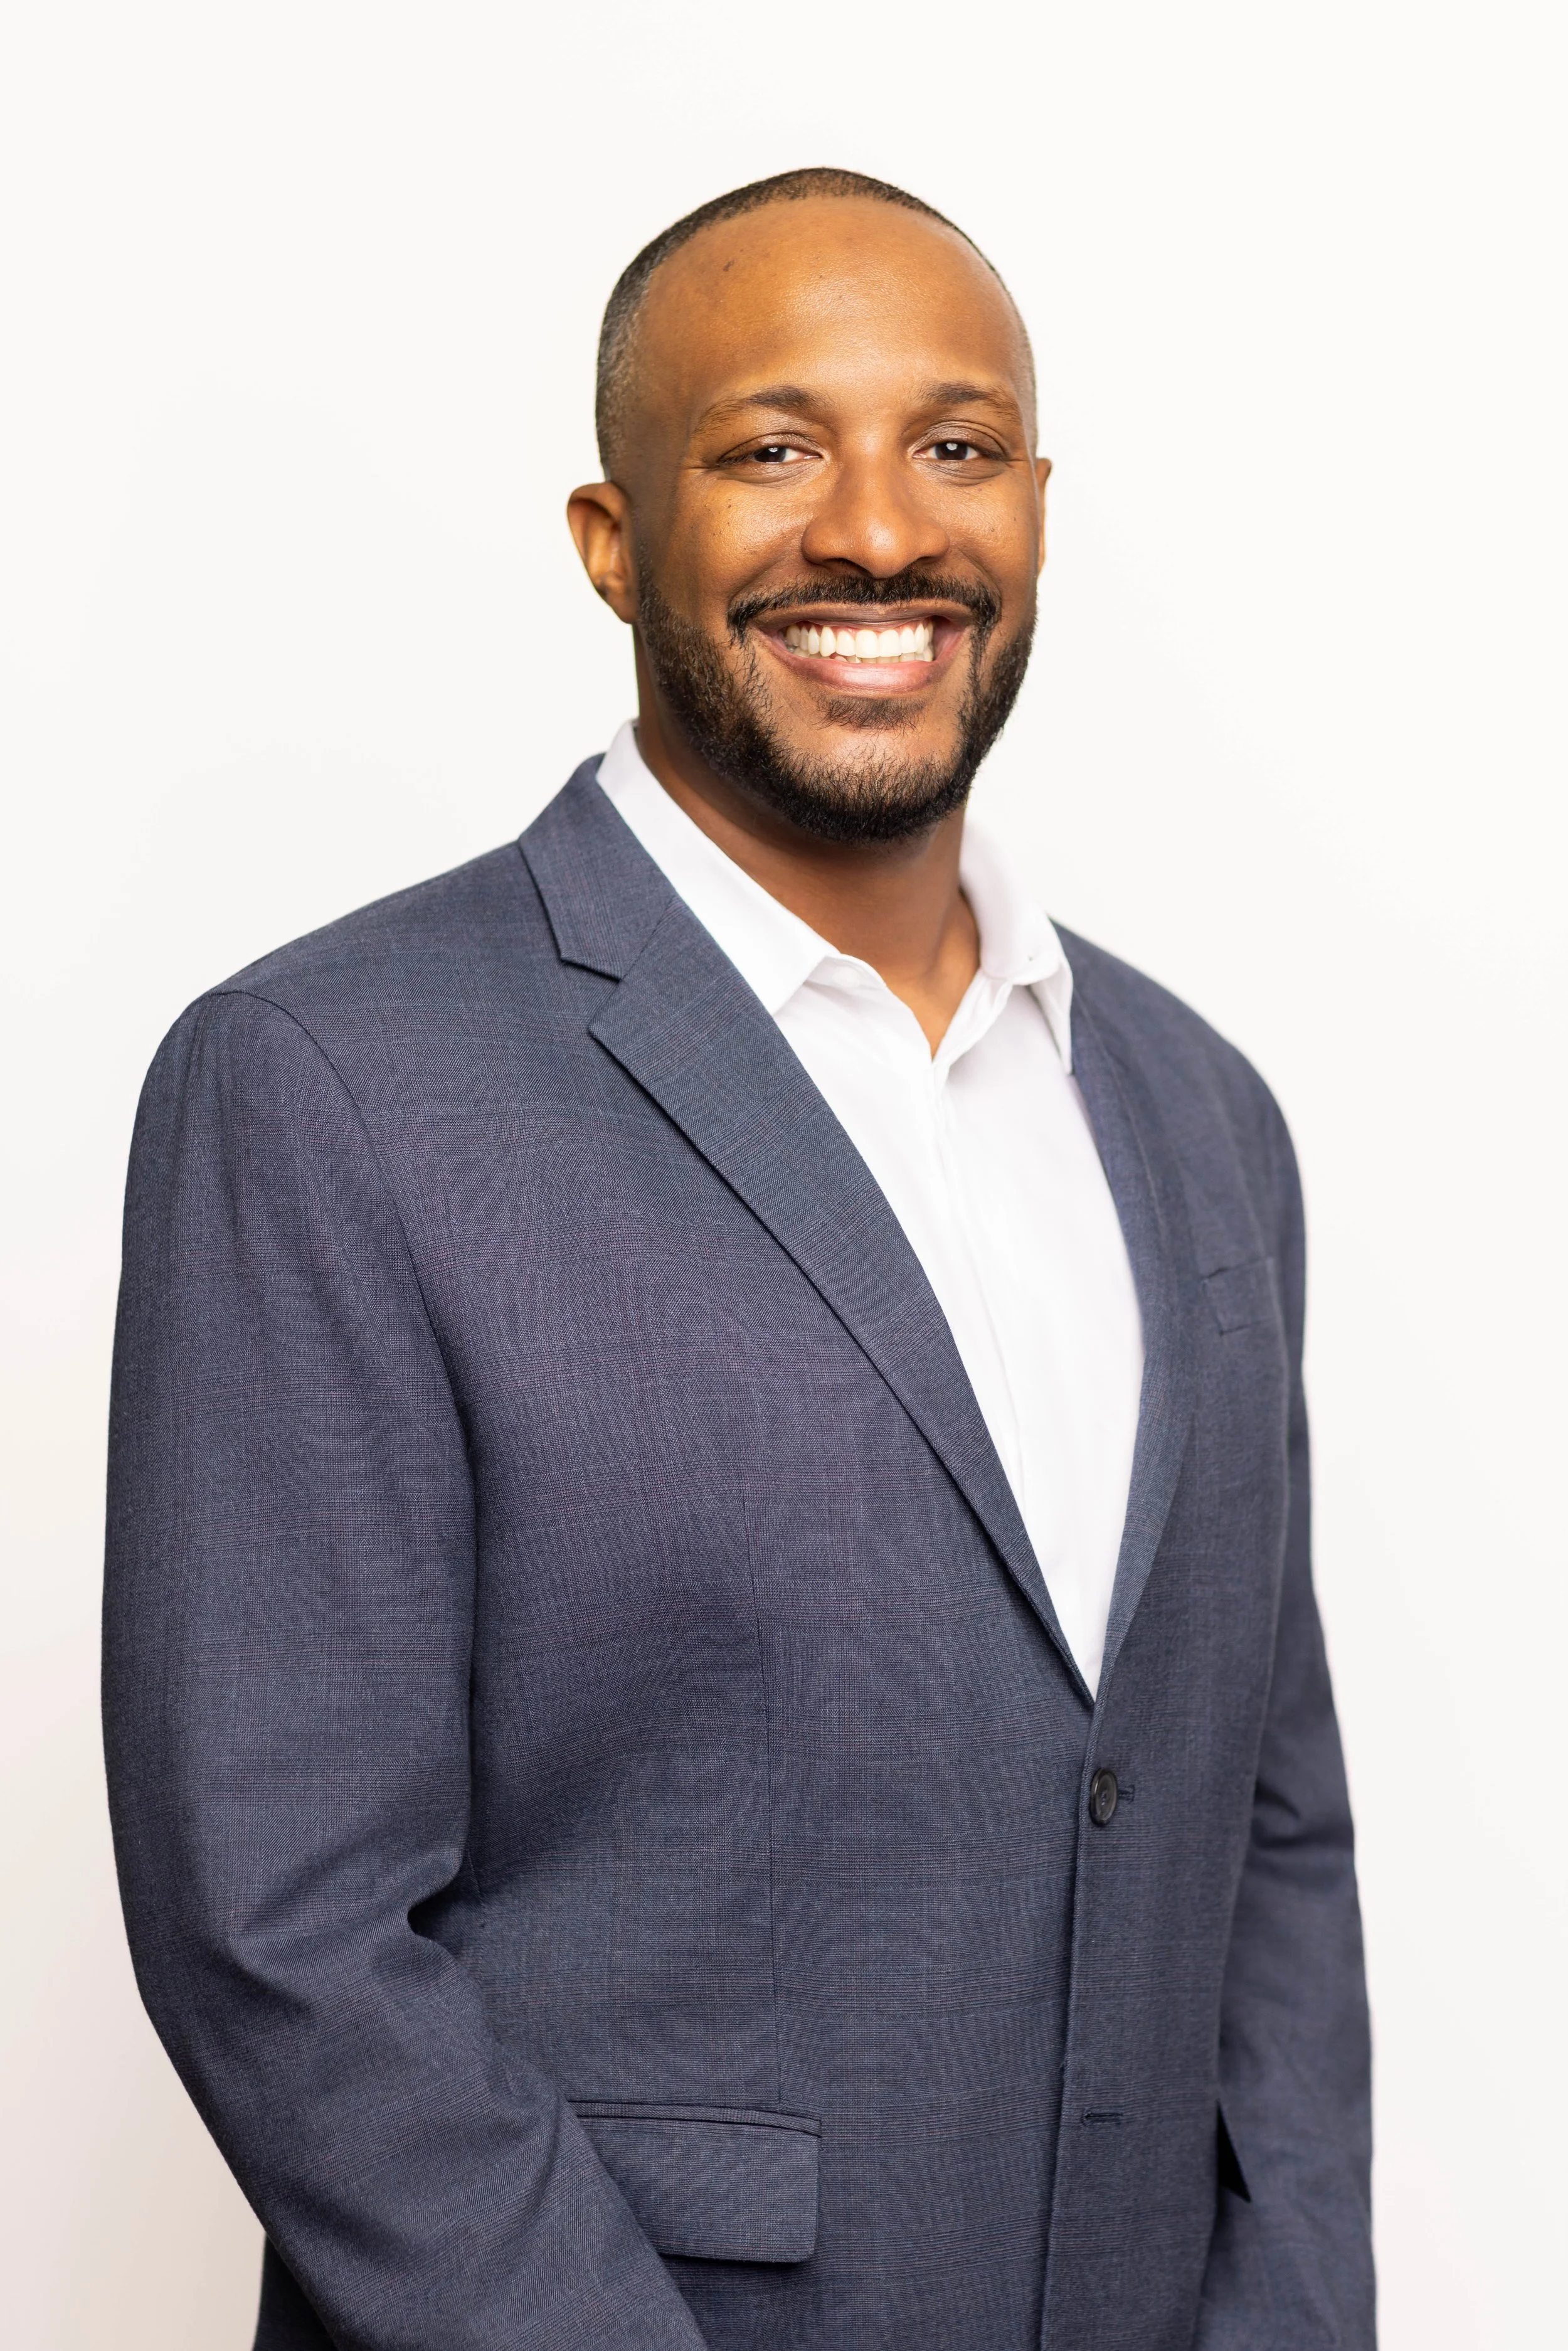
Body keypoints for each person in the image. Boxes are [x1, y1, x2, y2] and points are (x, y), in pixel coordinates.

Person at [103, 167, 1374, 2351]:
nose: (878, 529)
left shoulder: (1197, 1114)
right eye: (773, 447)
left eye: (955, 444)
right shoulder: (329, 1077)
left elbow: (1263, 1830)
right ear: (612, 539)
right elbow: (280, 1920)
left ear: (1035, 507)